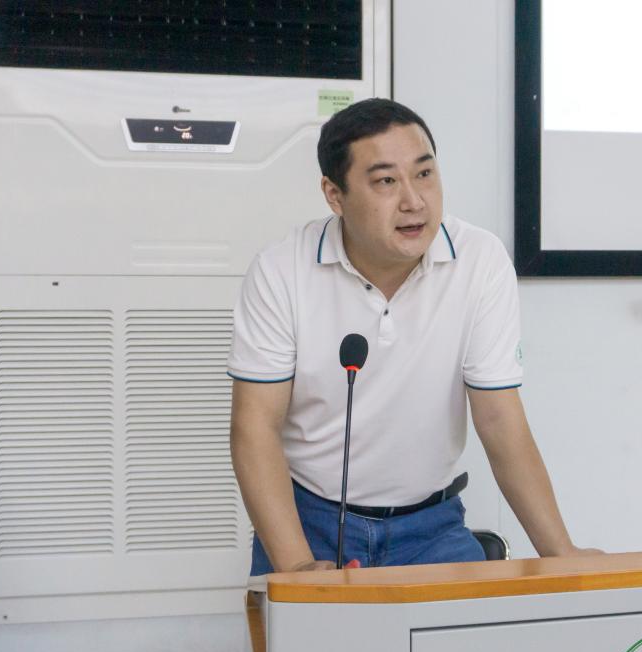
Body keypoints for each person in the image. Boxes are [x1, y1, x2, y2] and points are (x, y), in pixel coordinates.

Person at [228, 98, 595, 574]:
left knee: (482, 624)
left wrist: (562, 554)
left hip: (432, 528)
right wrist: (297, 566)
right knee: (302, 624)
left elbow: (499, 420)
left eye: (424, 174)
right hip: (310, 522)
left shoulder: (479, 261)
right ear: (334, 195)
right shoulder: (282, 271)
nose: (414, 201)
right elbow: (255, 426)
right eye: (386, 181)